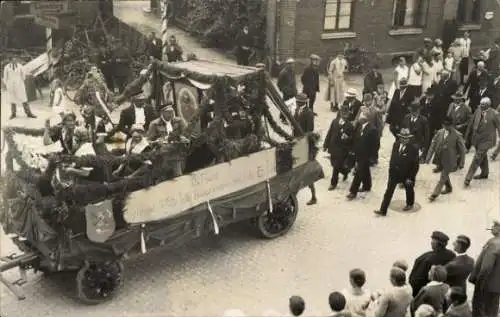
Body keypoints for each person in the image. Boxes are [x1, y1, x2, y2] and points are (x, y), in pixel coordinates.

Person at [374, 128, 419, 216]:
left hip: (407, 174)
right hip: (395, 173)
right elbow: (393, 158)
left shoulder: (413, 149)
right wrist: (391, 170)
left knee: (409, 189)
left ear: (409, 138)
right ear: (399, 137)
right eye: (402, 137)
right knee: (388, 192)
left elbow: (415, 166)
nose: (404, 140)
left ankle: (410, 203)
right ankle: (383, 210)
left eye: (406, 138)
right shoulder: (396, 144)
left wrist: (410, 177)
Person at [425, 117, 466, 201]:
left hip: (450, 160)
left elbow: (462, 150)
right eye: (445, 125)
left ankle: (434, 194)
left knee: (443, 176)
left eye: (449, 125)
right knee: (445, 175)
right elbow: (432, 145)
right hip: (439, 159)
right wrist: (428, 157)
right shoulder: (439, 133)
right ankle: (449, 187)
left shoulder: (458, 135)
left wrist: (462, 163)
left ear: (452, 125)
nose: (447, 127)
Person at [464, 97, 500, 186]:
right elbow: (471, 123)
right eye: (480, 104)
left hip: (487, 140)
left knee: (477, 157)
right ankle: (485, 173)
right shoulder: (478, 110)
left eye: (483, 104)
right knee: (482, 156)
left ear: (488, 104)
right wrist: (467, 136)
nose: (481, 105)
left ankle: (468, 178)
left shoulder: (494, 114)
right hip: (477, 139)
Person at [409, 231, 456, 297]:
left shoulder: (427, 259)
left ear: (438, 243)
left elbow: (416, 281)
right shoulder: (452, 255)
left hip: (425, 293)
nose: (431, 242)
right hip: (442, 290)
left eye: (433, 241)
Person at [469, 218, 500, 317]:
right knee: (492, 312)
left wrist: (479, 284)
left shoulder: (494, 244)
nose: (492, 227)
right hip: (496, 288)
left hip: (486, 287)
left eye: (495, 225)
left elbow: (486, 268)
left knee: (480, 312)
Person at [346, 111, 378, 200]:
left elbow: (375, 145)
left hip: (366, 155)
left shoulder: (372, 130)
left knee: (359, 171)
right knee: (365, 169)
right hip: (358, 153)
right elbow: (355, 138)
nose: (359, 118)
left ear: (366, 119)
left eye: (361, 116)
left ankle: (353, 191)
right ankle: (367, 186)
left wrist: (373, 157)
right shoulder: (359, 126)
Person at [323, 104, 355, 190]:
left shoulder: (350, 126)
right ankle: (345, 171)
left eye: (346, 114)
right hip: (333, 147)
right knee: (333, 164)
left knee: (336, 167)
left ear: (348, 114)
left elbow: (352, 139)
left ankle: (333, 183)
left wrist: (347, 138)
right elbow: (329, 133)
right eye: (343, 113)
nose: (344, 116)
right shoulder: (334, 121)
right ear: (340, 113)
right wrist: (325, 145)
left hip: (342, 149)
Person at [293, 93, 317, 205]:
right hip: (297, 142)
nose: (296, 103)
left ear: (302, 102)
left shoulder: (309, 113)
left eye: (297, 102)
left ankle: (313, 196)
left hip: (304, 144)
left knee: (305, 170)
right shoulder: (297, 111)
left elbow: (310, 130)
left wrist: (302, 140)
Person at [277, 58, 297, 123]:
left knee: (292, 104)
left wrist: (295, 90)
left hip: (292, 91)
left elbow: (294, 81)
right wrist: (283, 90)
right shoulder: (283, 72)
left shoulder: (293, 71)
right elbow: (279, 83)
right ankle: (283, 118)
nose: (292, 66)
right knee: (285, 105)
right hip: (286, 92)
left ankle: (289, 117)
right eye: (290, 64)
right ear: (287, 65)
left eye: (293, 64)